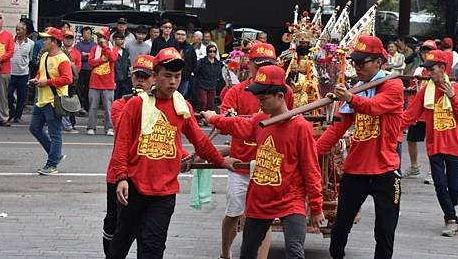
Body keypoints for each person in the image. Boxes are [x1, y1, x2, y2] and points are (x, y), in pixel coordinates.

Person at [109, 47, 239, 259]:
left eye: (177, 77)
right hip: (134, 186)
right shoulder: (135, 104)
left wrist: (222, 162)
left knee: (153, 245)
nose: (172, 82)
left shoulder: (182, 107)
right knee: (122, 240)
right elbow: (122, 144)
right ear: (154, 76)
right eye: (167, 76)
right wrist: (121, 177)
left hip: (164, 192)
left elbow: (200, 141)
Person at [201, 65, 324, 259]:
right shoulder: (261, 119)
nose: (260, 103)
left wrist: (316, 207)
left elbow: (311, 169)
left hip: (291, 200)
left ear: (280, 97)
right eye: (258, 98)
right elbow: (239, 125)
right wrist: (214, 118)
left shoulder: (301, 127)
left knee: (295, 252)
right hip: (260, 199)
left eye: (264, 99)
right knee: (248, 252)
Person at [316, 35, 405, 259]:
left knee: (385, 231)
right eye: (354, 62)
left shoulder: (393, 86)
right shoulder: (356, 89)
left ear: (378, 62)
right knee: (340, 227)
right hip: (355, 170)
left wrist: (350, 98)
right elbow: (336, 129)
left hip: (385, 171)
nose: (356, 67)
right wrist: (311, 154)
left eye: (361, 63)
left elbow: (374, 107)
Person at [213, 42, 294, 259]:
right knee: (233, 213)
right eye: (258, 65)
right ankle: (225, 253)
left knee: (262, 216)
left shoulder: (284, 92)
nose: (262, 70)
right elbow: (227, 121)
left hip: (267, 165)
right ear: (249, 65)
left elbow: (290, 120)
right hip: (240, 164)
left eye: (268, 65)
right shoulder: (236, 92)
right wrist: (225, 119)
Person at [401, 50, 458, 236]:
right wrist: (390, 127)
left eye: (431, 69)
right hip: (434, 147)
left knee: (453, 188)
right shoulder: (425, 91)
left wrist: (453, 97)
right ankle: (451, 219)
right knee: (440, 185)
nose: (428, 73)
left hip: (454, 147)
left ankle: (450, 207)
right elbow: (409, 115)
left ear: (442, 68)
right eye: (426, 69)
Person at [103, 54, 155, 258]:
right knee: (113, 222)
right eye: (137, 76)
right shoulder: (120, 104)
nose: (141, 80)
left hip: (145, 174)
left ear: (154, 79)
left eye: (146, 76)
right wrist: (137, 101)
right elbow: (122, 127)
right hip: (118, 173)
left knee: (143, 227)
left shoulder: (163, 104)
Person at [28, 27, 73, 175]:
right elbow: (41, 73)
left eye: (46, 39)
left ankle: (52, 164)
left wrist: (46, 82)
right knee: (34, 128)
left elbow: (67, 79)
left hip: (54, 101)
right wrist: (36, 79)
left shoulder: (62, 59)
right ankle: (56, 155)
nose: (43, 42)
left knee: (55, 133)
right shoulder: (45, 56)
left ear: (54, 42)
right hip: (42, 100)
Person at [402, 39, 437, 181]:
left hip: (431, 110)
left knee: (432, 142)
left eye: (429, 50)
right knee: (411, 139)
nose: (426, 53)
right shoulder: (418, 69)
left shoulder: (438, 69)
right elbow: (413, 88)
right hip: (418, 111)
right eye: (424, 50)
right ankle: (414, 166)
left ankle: (432, 170)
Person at [87, 27, 117, 136]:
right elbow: (90, 62)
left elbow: (113, 59)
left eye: (102, 37)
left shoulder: (112, 48)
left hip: (108, 84)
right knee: (92, 107)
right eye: (99, 37)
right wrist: (101, 60)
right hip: (94, 82)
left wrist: (105, 48)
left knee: (108, 108)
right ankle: (91, 127)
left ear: (107, 38)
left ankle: (109, 128)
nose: (100, 39)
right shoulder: (94, 49)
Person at [8, 21, 34, 124]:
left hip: (23, 73)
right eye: (17, 29)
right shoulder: (10, 39)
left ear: (25, 31)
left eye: (20, 29)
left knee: (22, 97)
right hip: (10, 72)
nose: (17, 31)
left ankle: (17, 116)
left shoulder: (31, 43)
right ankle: (11, 112)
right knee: (8, 95)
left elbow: (30, 57)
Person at [61, 30, 81, 133]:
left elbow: (78, 67)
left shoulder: (76, 52)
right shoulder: (59, 50)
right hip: (61, 80)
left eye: (70, 38)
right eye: (66, 37)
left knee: (71, 104)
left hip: (72, 80)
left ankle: (71, 124)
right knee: (60, 103)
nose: (68, 40)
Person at [193, 43, 221, 111]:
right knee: (203, 102)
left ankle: (208, 119)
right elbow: (195, 72)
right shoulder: (201, 62)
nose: (212, 53)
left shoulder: (218, 63)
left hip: (212, 86)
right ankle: (202, 117)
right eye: (210, 51)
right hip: (202, 85)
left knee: (210, 104)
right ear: (207, 52)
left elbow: (218, 73)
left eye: (214, 51)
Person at [76, 26, 96, 112]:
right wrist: (88, 56)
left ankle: (87, 107)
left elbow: (94, 57)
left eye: (88, 33)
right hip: (81, 69)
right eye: (84, 34)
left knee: (89, 88)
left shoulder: (94, 45)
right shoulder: (78, 45)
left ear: (91, 35)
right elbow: (79, 56)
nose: (86, 35)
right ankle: (80, 106)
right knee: (79, 88)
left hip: (91, 69)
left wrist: (86, 55)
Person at [174, 26, 197, 99]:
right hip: (171, 76)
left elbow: (194, 61)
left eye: (183, 34)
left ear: (186, 36)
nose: (180, 36)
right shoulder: (170, 45)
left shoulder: (189, 48)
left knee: (181, 96)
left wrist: (190, 71)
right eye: (178, 34)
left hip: (185, 77)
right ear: (174, 34)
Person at [113, 33, 131, 100]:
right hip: (115, 78)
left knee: (125, 96)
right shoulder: (111, 51)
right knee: (115, 97)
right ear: (114, 40)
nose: (119, 41)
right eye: (117, 39)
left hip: (125, 78)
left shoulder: (126, 51)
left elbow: (128, 63)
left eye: (121, 39)